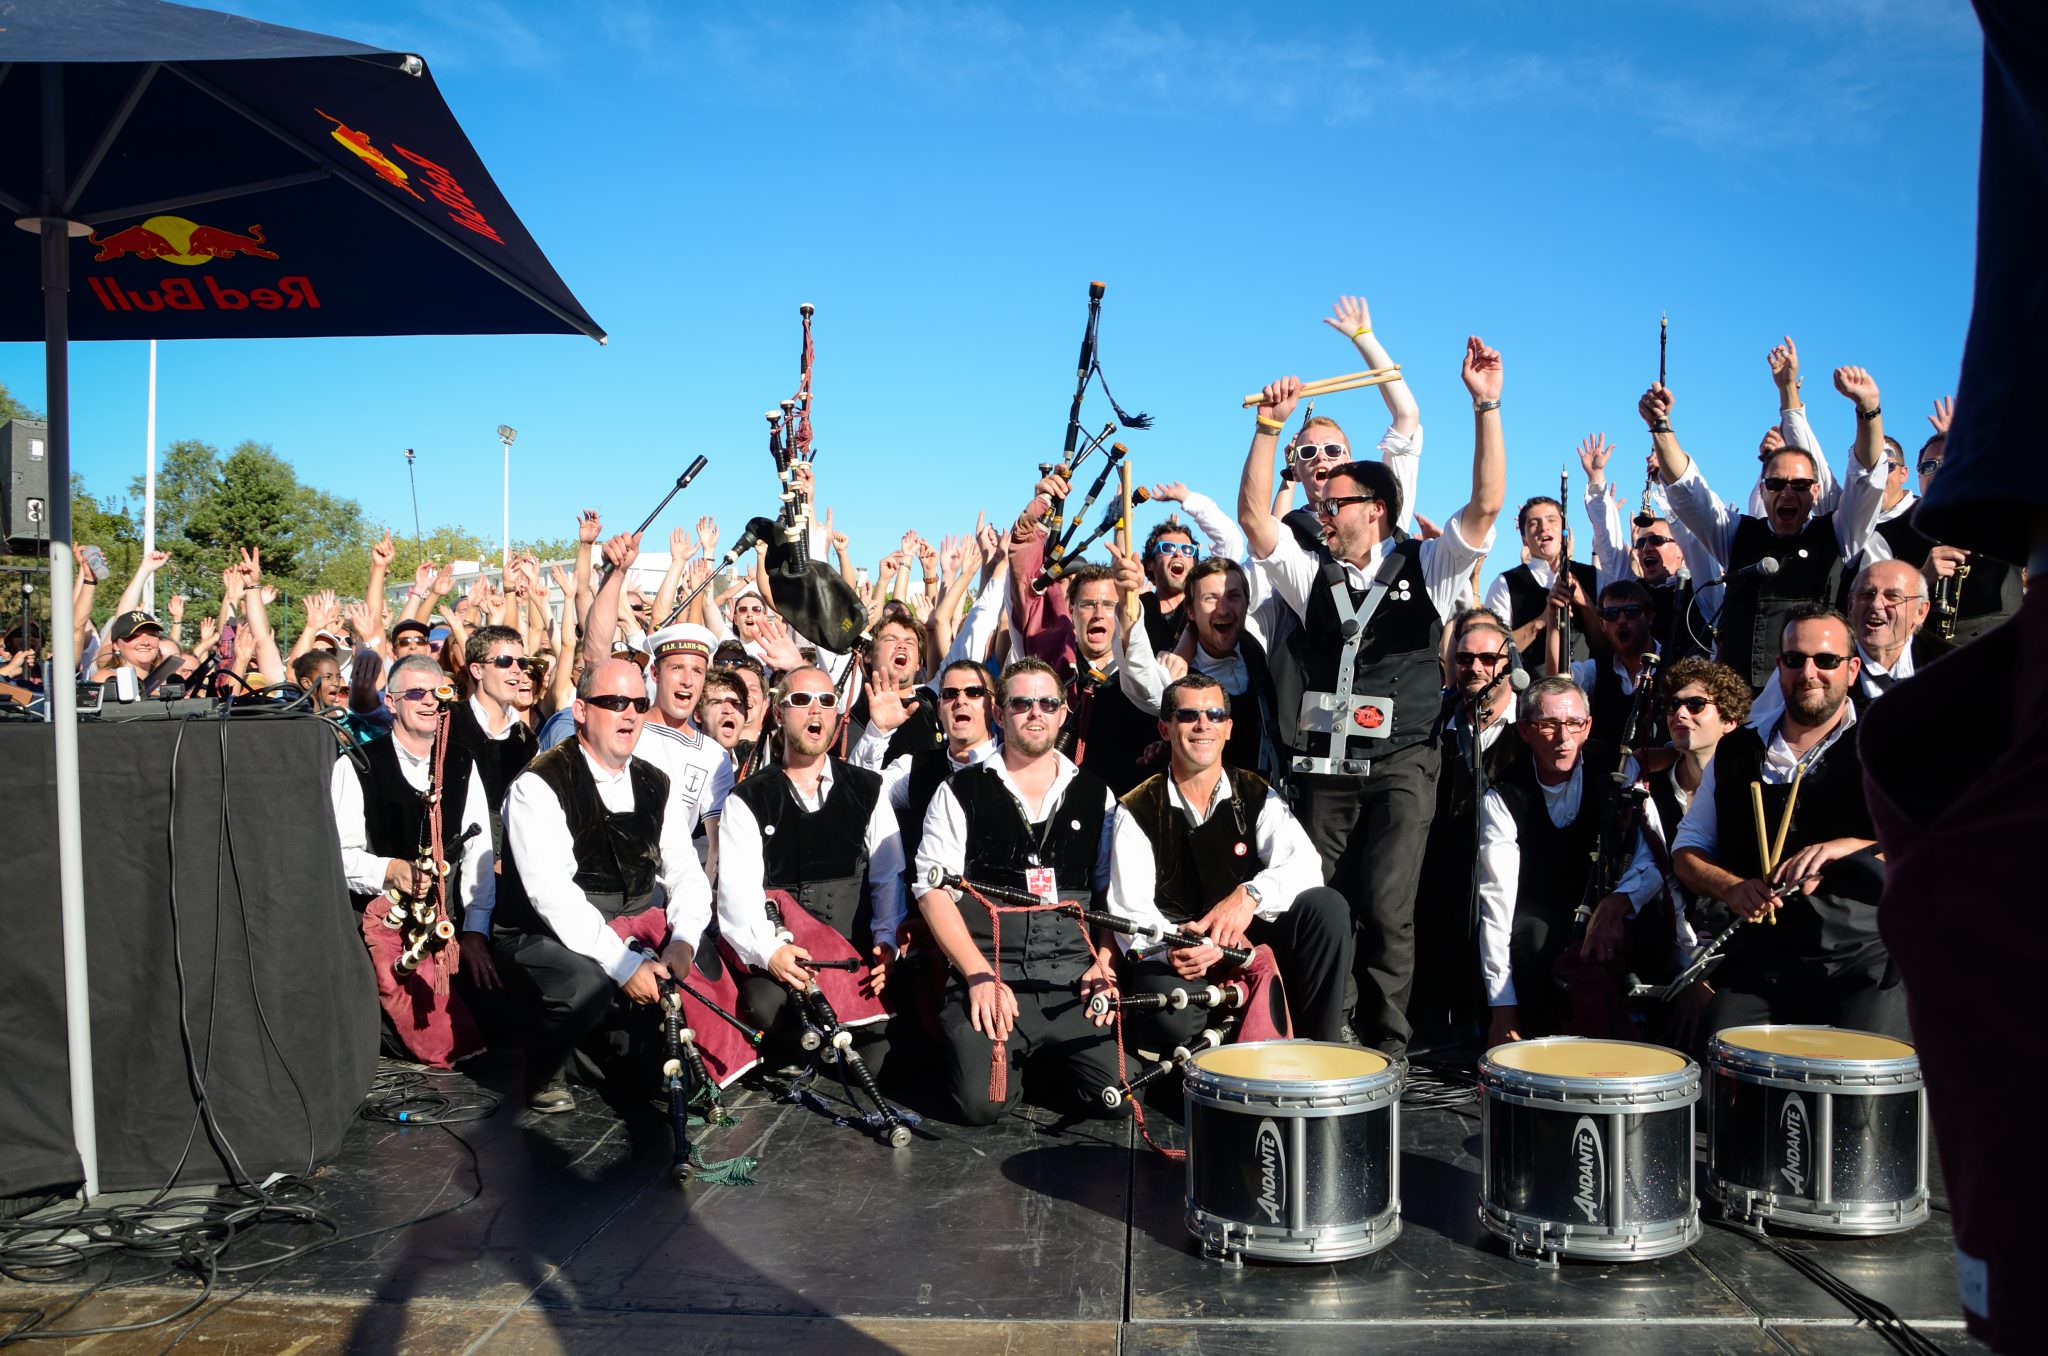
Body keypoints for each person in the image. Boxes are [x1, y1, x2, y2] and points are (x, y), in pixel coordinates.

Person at [1237, 336, 1506, 1057]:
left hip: (1402, 760)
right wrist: (1268, 429)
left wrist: (1486, 405)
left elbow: (1486, 504)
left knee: (1388, 906)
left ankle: (1388, 1044)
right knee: (1320, 902)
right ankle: (1329, 1033)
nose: (1320, 507)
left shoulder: (1433, 566)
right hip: (1325, 765)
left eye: (1337, 501)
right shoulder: (1311, 574)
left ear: (1377, 509)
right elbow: (1257, 521)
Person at [1670, 606, 1905, 1051]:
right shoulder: (1737, 749)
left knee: (1866, 1080)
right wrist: (1731, 887)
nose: (1809, 672)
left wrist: (1851, 847)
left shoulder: (1887, 743)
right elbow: (1687, 854)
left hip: (1862, 960)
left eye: (1826, 660)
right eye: (1795, 660)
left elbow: (1932, 849)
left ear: (1852, 669)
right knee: (1721, 1061)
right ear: (1779, 666)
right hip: (1764, 960)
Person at [912, 659, 1126, 1125]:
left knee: (1117, 1098)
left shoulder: (1097, 795)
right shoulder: (957, 790)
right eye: (1022, 703)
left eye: (1047, 703)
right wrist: (976, 975)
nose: (1036, 713)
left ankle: (1042, 1060)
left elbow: (1113, 896)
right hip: (993, 971)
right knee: (978, 1106)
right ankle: (1018, 1060)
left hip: (1072, 976)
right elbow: (931, 891)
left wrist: (1104, 964)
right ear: (999, 710)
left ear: (1063, 713)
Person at [495, 658, 712, 1113]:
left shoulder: (656, 782)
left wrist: (685, 942)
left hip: (633, 927)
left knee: (674, 1060)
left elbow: (687, 873)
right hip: (548, 933)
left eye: (638, 702)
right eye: (614, 702)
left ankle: (592, 1052)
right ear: (580, 710)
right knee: (585, 987)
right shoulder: (538, 784)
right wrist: (623, 963)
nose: (629, 714)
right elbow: (551, 895)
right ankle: (546, 1065)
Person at [1108, 674, 1352, 1044]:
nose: (1203, 724)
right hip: (1181, 954)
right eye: (1189, 715)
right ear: (1165, 727)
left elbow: (1306, 866)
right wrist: (1173, 946)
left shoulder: (1256, 792)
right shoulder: (1138, 806)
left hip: (1249, 947)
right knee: (1170, 1021)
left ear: (1228, 728)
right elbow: (1130, 911)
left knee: (1327, 907)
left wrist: (1251, 895)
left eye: (1215, 714)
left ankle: (1320, 1048)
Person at [1645, 365, 1889, 692]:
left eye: (1800, 485)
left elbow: (1866, 479)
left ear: (1815, 492)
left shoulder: (1839, 533)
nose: (1788, 493)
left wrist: (1868, 408)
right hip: (1741, 704)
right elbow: (1690, 493)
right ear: (1762, 490)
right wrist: (1660, 426)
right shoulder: (1736, 535)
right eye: (1776, 484)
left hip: (1810, 699)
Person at [716, 665, 907, 1076]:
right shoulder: (747, 798)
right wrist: (771, 953)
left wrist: (886, 941)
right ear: (779, 714)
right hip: (783, 960)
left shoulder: (867, 788)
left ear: (839, 715)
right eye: (801, 700)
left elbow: (888, 878)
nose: (814, 710)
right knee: (761, 1004)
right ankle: (791, 1044)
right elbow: (737, 896)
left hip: (848, 959)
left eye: (826, 700)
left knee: (875, 1063)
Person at [1475, 679, 1664, 1044]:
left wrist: (1618, 903)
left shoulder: (1620, 772)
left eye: (1574, 724)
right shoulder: (1504, 794)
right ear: (1526, 731)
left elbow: (1653, 858)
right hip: (1541, 913)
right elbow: (1495, 902)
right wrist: (1502, 1007)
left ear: (1588, 726)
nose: (1563, 737)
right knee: (1530, 937)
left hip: (1614, 904)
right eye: (1548, 724)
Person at [329, 654, 496, 1067]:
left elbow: (479, 853)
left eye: (438, 693)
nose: (428, 702)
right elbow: (339, 857)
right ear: (390, 701)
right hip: (385, 928)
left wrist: (475, 932)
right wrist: (390, 870)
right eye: (415, 693)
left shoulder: (460, 761)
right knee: (414, 1039)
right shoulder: (356, 765)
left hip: (450, 929)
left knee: (496, 1025)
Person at [1412, 611, 1525, 1040]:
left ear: (1507, 664)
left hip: (1515, 888)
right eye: (1464, 659)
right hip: (1445, 881)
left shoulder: (1530, 726)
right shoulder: (1436, 722)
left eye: (1486, 658)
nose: (1475, 668)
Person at [1865, 397, 2022, 646]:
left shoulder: (2000, 514)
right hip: (1924, 657)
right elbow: (1876, 606)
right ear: (1916, 475)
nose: (1939, 472)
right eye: (1930, 466)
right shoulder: (1897, 530)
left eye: (1949, 464)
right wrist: (1923, 577)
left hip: (1998, 651)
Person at [1114, 554, 1282, 782]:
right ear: (1190, 611)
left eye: (1233, 597)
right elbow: (1140, 678)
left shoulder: (1260, 641)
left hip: (1265, 803)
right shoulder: (1177, 672)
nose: (1223, 609)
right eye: (1210, 599)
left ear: (1246, 604)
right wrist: (1127, 602)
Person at [1746, 559, 1942, 727]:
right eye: (1866, 595)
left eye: (1892, 597)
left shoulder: (1951, 665)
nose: (1876, 605)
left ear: (1921, 612)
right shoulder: (1808, 663)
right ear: (1850, 604)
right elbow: (1758, 725)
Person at [1577, 433, 1712, 662]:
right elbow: (1609, 545)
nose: (1647, 547)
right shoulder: (1632, 590)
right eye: (1641, 543)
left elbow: (1691, 519)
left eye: (1657, 541)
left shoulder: (1702, 590)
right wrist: (1596, 479)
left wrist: (1666, 477)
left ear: (1681, 550)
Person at [1485, 496, 1601, 678]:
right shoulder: (1505, 583)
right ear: (1524, 537)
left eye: (1551, 520)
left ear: (1564, 529)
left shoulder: (1593, 576)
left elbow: (1607, 643)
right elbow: (1494, 651)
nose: (1544, 527)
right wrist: (1542, 620)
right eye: (1533, 523)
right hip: (1531, 694)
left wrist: (1583, 601)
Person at [448, 624, 538, 851]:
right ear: (477, 670)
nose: (517, 670)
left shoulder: (527, 741)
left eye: (522, 663)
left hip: (506, 860)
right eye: (504, 661)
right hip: (450, 856)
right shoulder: (448, 721)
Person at [1569, 579, 1666, 746]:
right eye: (1611, 614)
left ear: (1649, 618)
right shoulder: (1596, 670)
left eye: (1632, 611)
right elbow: (1558, 683)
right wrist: (1554, 619)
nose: (1621, 620)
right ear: (1603, 625)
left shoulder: (1678, 664)